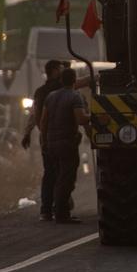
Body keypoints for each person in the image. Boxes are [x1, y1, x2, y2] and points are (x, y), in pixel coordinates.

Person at [39, 68, 92, 224]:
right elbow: (81, 119)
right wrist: (95, 115)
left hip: (51, 142)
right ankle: (62, 214)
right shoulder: (75, 96)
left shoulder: (51, 96)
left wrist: (44, 142)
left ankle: (53, 210)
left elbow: (43, 121)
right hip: (67, 143)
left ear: (61, 80)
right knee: (66, 179)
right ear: (74, 80)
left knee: (56, 176)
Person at [20, 60, 66, 221]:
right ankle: (60, 208)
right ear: (54, 71)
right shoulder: (61, 89)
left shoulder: (40, 91)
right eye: (61, 69)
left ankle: (46, 210)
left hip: (44, 137)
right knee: (62, 172)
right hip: (60, 137)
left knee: (49, 172)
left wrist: (27, 133)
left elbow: (33, 114)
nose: (63, 71)